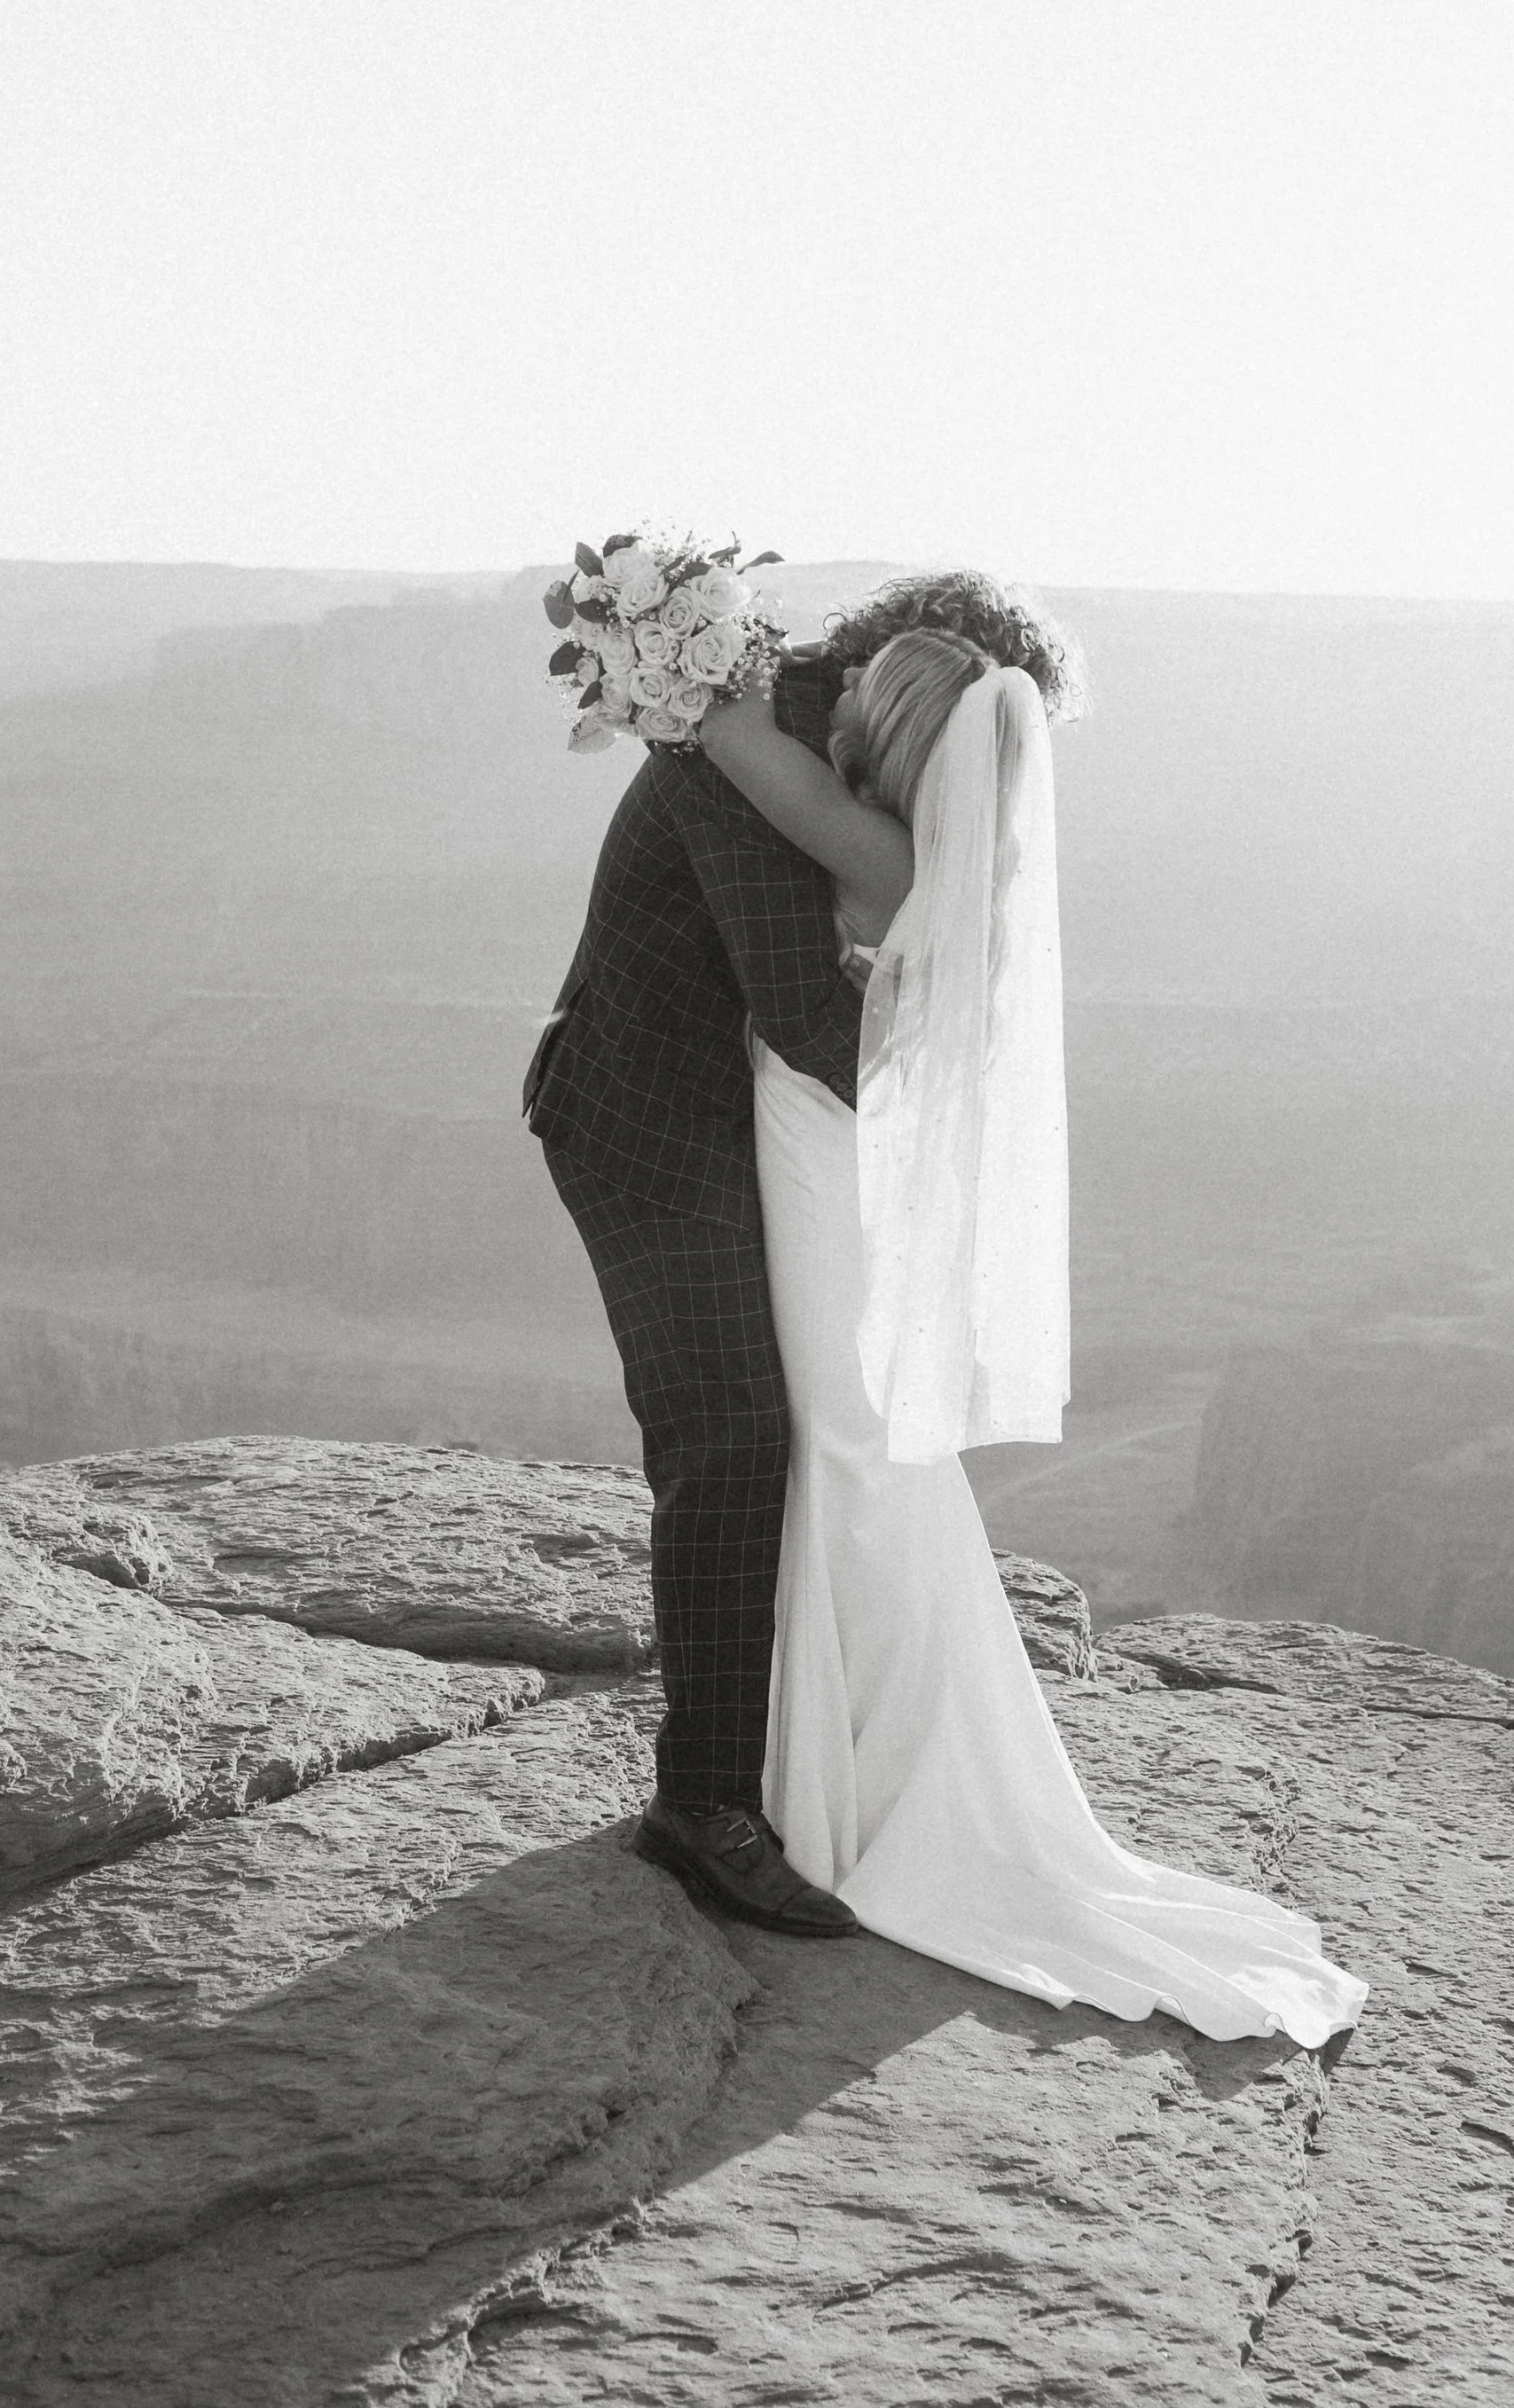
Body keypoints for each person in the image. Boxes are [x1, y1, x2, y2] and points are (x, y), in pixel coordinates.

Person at [694, 618, 1369, 2049]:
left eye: (867, 706)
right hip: (841, 1171)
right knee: (866, 1454)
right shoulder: (953, 860)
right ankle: (852, 1765)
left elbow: (736, 754)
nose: (842, 722)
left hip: (824, 1173)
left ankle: (863, 1791)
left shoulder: (878, 853)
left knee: (849, 1446)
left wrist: (679, 665)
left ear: (907, 739)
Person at [524, 569, 1076, 1941]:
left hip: (757, 1129)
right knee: (731, 1432)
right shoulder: (744, 764)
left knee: (803, 1433)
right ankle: (702, 1803)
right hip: (650, 1126)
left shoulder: (785, 747)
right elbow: (801, 1012)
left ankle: (784, 1754)